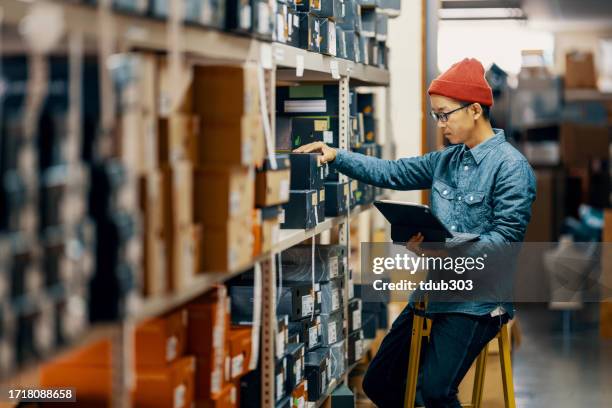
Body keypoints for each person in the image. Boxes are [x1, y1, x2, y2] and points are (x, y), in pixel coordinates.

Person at [294, 58, 536, 407]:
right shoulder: (445, 160)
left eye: (445, 114)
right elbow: (391, 172)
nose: (441, 124)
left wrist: (446, 252)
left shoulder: (511, 168)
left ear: (474, 111)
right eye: (436, 116)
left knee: (434, 391)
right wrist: (335, 156)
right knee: (378, 383)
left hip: (478, 302)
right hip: (436, 292)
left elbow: (503, 244)